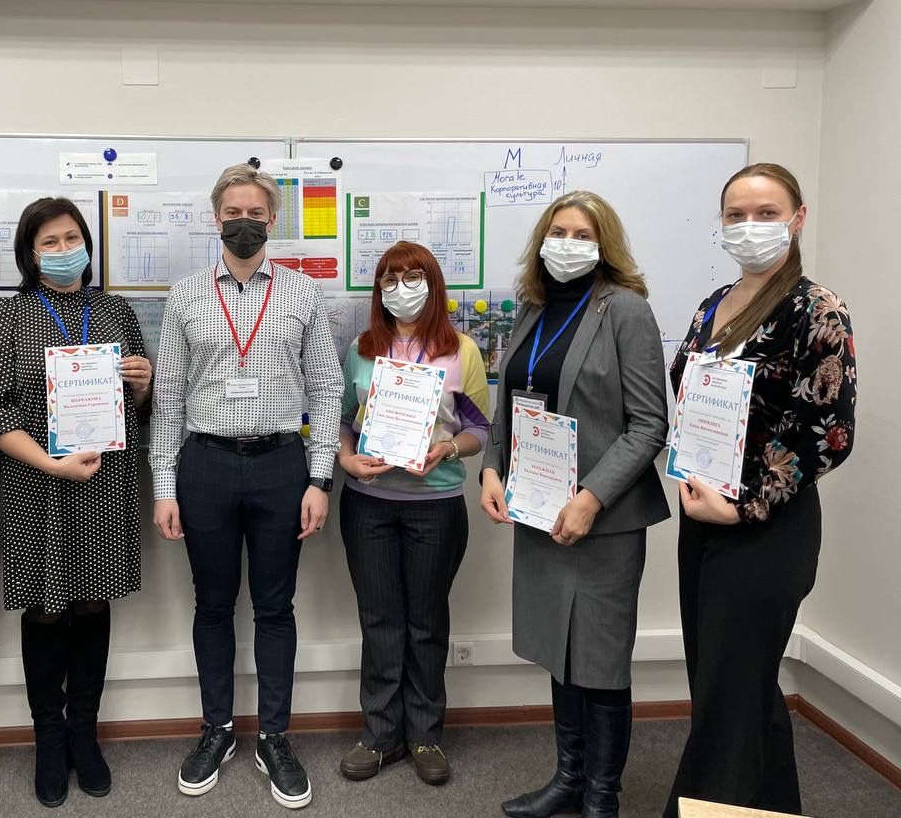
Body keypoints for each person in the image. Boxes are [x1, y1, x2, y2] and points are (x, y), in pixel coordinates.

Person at [662, 164, 855, 817]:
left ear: (797, 218)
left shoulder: (817, 310)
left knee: (728, 699)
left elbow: (828, 432)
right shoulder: (712, 304)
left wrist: (745, 506)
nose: (750, 226)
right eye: (736, 215)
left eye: (766, 213)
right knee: (732, 687)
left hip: (768, 527)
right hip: (703, 519)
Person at [151, 163, 343, 810]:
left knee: (274, 608)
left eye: (255, 214)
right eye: (232, 212)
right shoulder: (185, 295)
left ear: (272, 221)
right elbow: (168, 398)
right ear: (216, 218)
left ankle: (275, 737)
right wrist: (164, 486)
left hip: (280, 465)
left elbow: (327, 390)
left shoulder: (303, 294)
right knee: (211, 605)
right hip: (204, 465)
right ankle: (217, 729)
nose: (243, 222)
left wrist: (320, 478)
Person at [479, 191, 669, 818]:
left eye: (582, 235)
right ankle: (568, 779)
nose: (567, 244)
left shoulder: (626, 311)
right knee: (559, 652)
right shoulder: (533, 308)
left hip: (603, 520)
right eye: (557, 232)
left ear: (604, 245)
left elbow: (648, 425)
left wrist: (591, 497)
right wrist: (491, 468)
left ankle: (601, 797)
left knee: (600, 661)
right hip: (539, 507)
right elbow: (511, 401)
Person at [0, 197, 152, 808]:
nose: (63, 249)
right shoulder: (5, 317)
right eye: (49, 241)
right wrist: (50, 462)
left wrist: (142, 385)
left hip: (103, 482)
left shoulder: (115, 310)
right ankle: (49, 736)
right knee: (46, 609)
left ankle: (84, 733)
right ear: (30, 253)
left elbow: (142, 406)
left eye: (72, 237)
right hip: (36, 484)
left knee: (93, 601)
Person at [337, 242, 490, 786]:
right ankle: (380, 735)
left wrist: (447, 449)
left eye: (412, 277)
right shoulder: (361, 349)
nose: (401, 288)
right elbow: (343, 420)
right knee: (379, 620)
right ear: (378, 289)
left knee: (426, 623)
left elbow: (480, 430)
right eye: (390, 278)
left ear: (433, 283)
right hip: (370, 505)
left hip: (436, 507)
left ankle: (425, 735)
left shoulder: (462, 351)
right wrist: (346, 459)